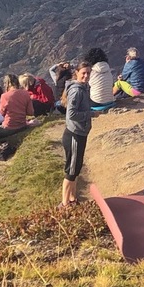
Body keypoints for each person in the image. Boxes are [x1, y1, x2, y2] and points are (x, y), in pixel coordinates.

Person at [61, 62, 93, 206]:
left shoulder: (83, 88)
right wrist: (89, 114)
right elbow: (72, 114)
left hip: (80, 133)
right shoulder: (77, 91)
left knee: (76, 167)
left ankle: (73, 199)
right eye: (83, 73)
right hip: (74, 134)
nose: (86, 76)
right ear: (77, 73)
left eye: (88, 73)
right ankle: (64, 204)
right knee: (71, 170)